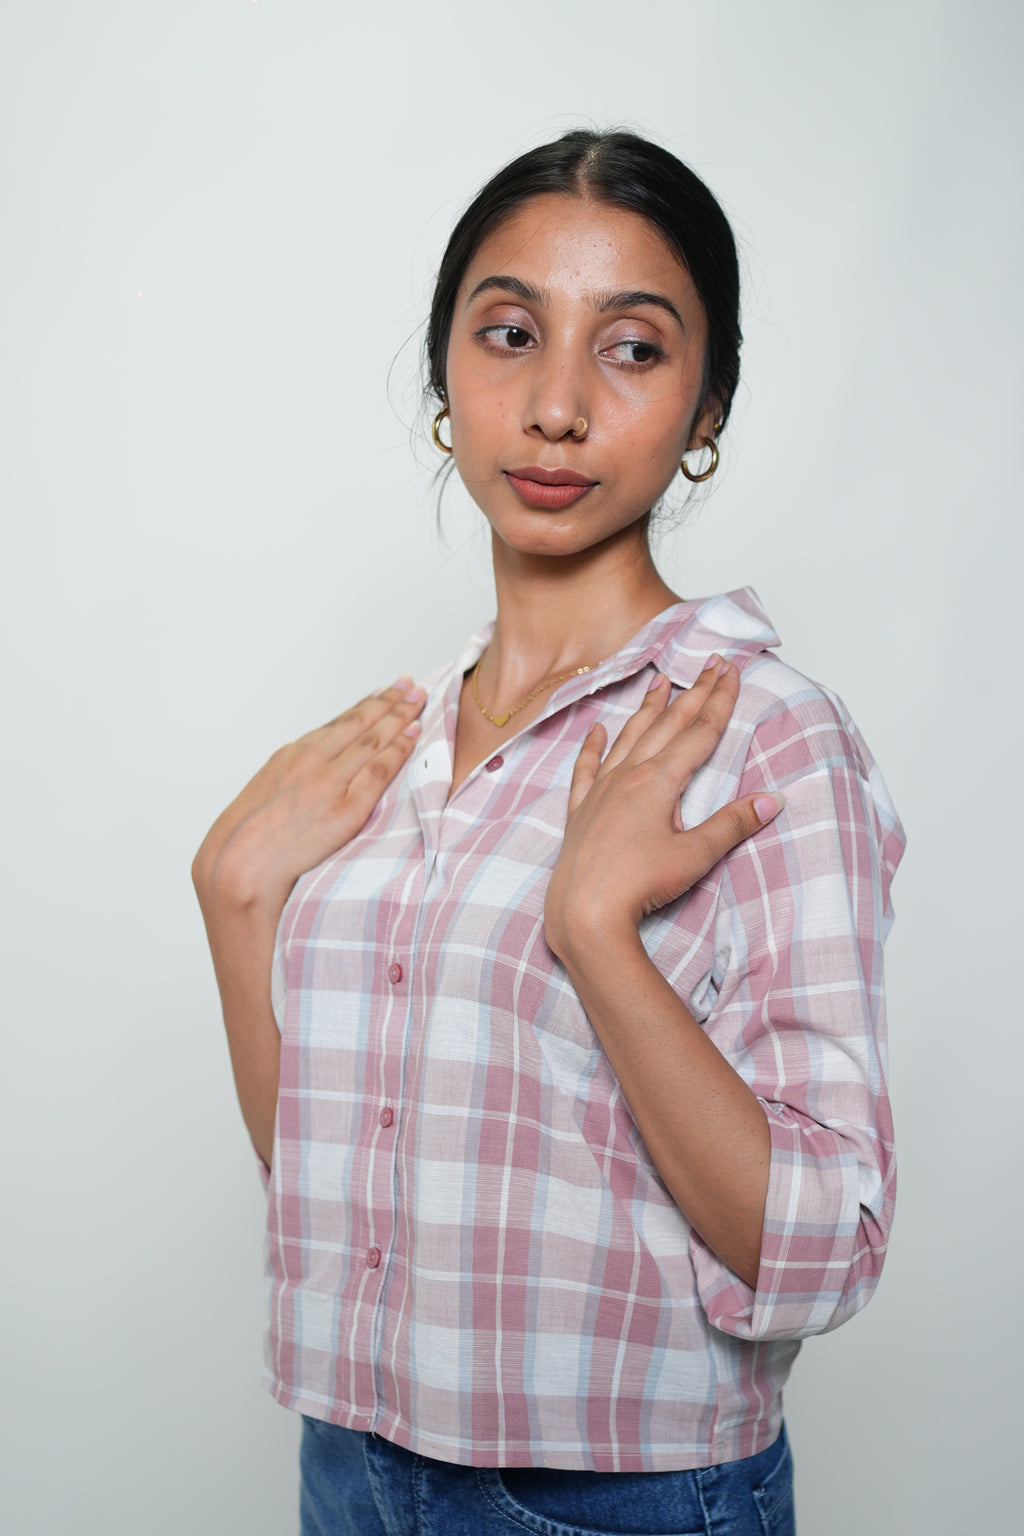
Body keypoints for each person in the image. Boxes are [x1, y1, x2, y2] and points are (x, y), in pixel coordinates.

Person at [192, 129, 905, 1536]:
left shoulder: (754, 732)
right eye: (511, 334)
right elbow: (336, 1175)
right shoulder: (391, 745)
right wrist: (234, 906)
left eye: (632, 350)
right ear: (445, 379)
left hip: (620, 1498)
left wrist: (597, 934)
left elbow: (828, 1250)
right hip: (351, 1467)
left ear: (706, 408)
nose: (558, 406)